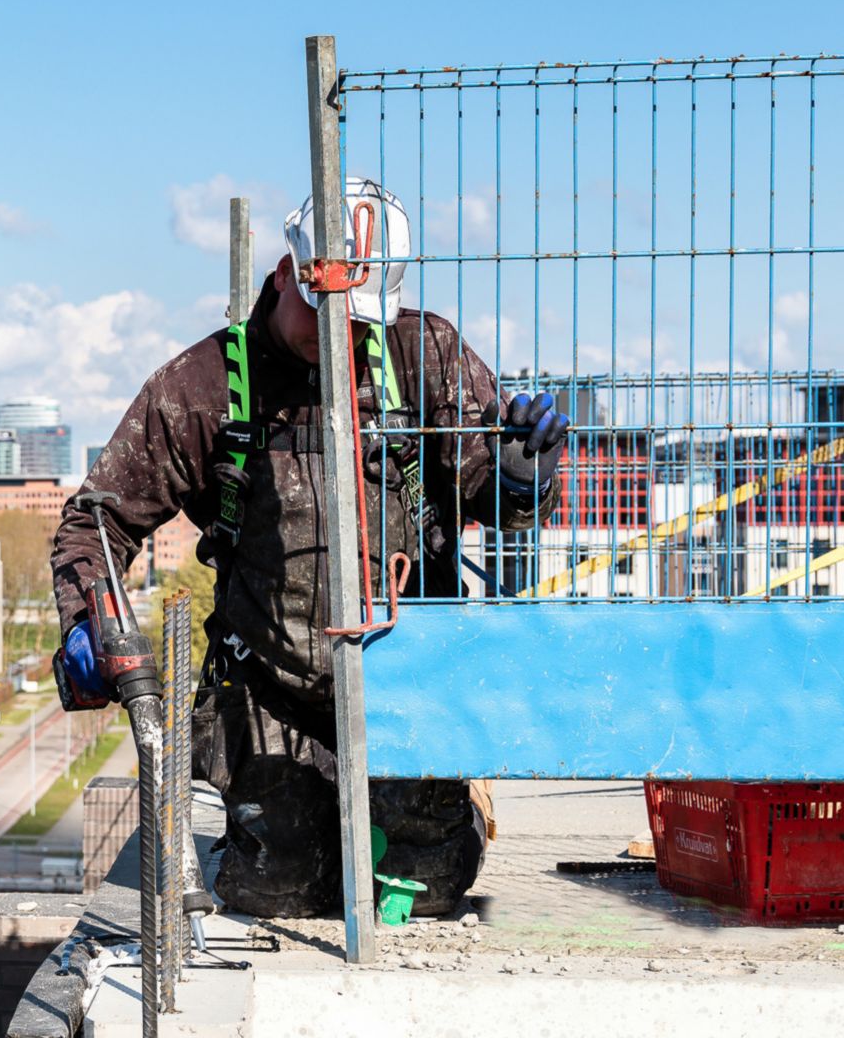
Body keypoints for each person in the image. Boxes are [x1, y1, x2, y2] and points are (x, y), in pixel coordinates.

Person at [50, 178, 566, 919]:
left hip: (406, 675)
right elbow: (95, 521)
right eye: (327, 319)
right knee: (283, 887)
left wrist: (520, 481)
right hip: (269, 687)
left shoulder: (427, 358)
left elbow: (493, 494)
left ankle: (454, 809)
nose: (344, 340)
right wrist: (85, 621)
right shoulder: (203, 387)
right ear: (285, 274)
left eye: (360, 324)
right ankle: (281, 821)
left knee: (425, 884)